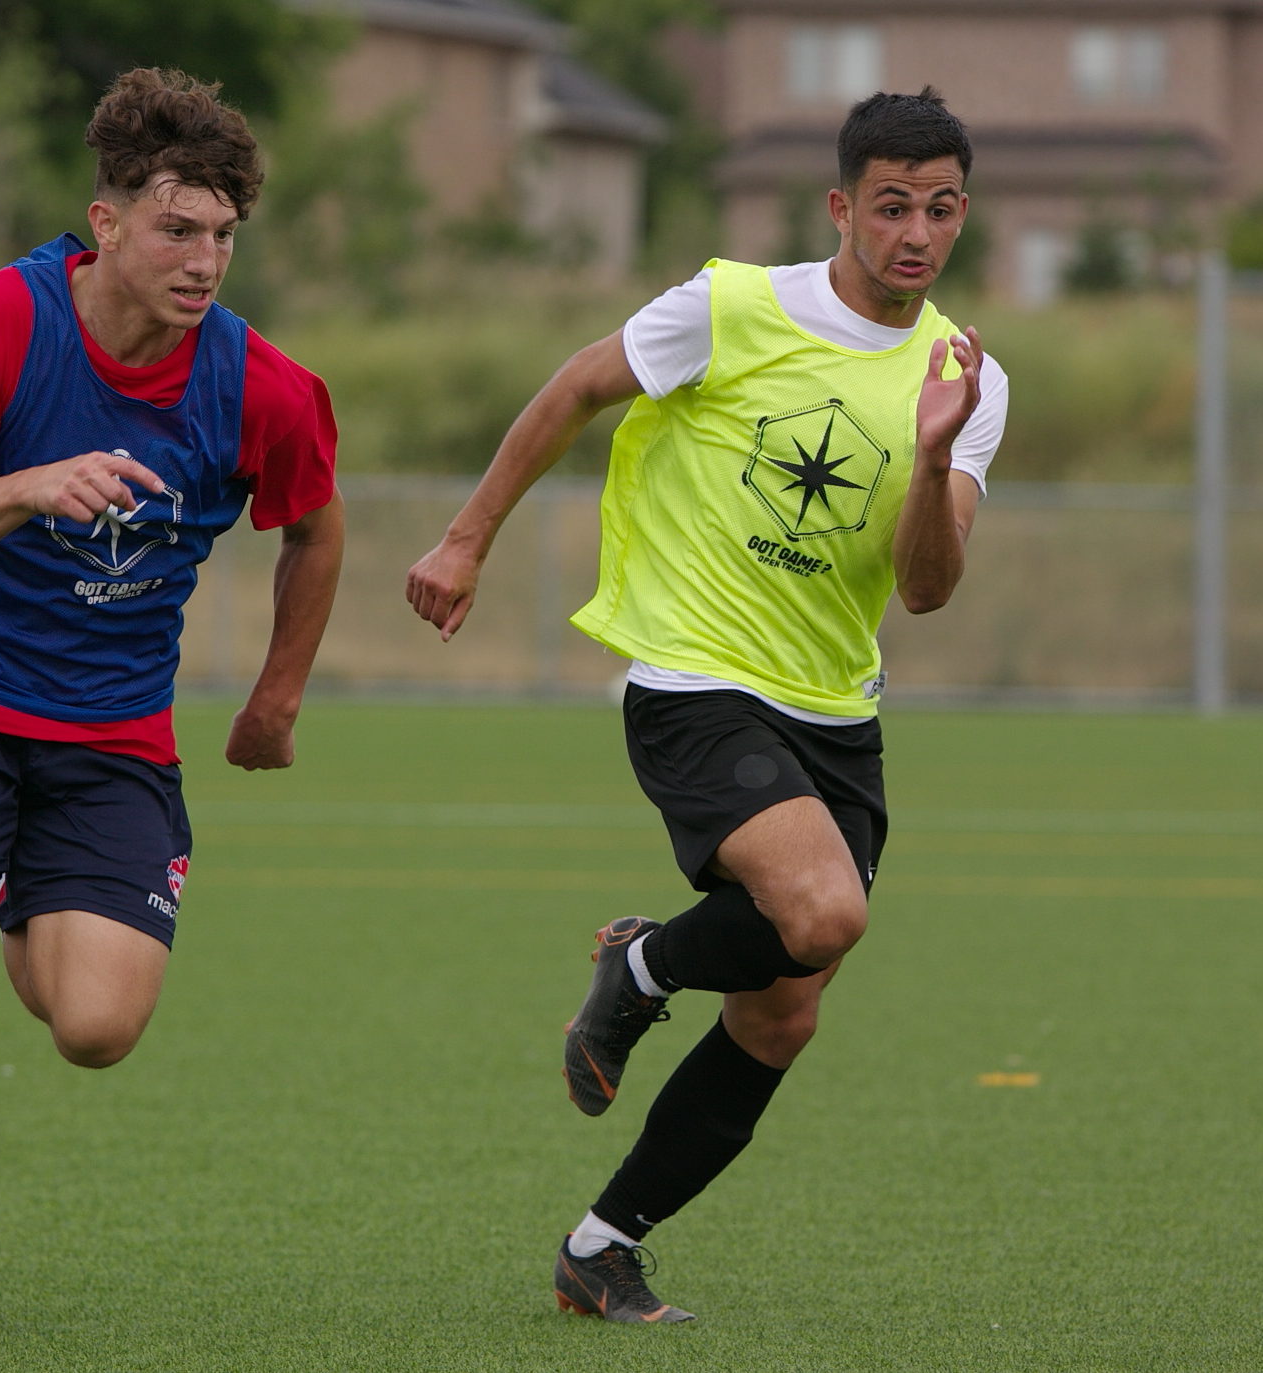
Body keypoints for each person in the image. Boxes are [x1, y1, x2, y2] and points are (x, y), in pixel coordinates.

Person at [406, 88, 1008, 1324]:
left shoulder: (966, 377)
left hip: (836, 710)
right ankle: (642, 961)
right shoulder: (735, 304)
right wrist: (466, 541)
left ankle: (600, 1247)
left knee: (784, 1012)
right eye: (892, 206)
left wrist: (938, 452)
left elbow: (928, 590)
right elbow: (575, 388)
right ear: (842, 206)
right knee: (824, 910)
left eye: (942, 209)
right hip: (693, 676)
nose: (918, 233)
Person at [0, 68, 344, 1338]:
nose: (204, 260)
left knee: (95, 1027)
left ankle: (12, 881)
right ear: (106, 222)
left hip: (110, 740)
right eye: (175, 229)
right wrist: (31, 484)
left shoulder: (261, 383)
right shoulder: (3, 321)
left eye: (222, 236)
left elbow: (313, 529)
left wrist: (274, 699)